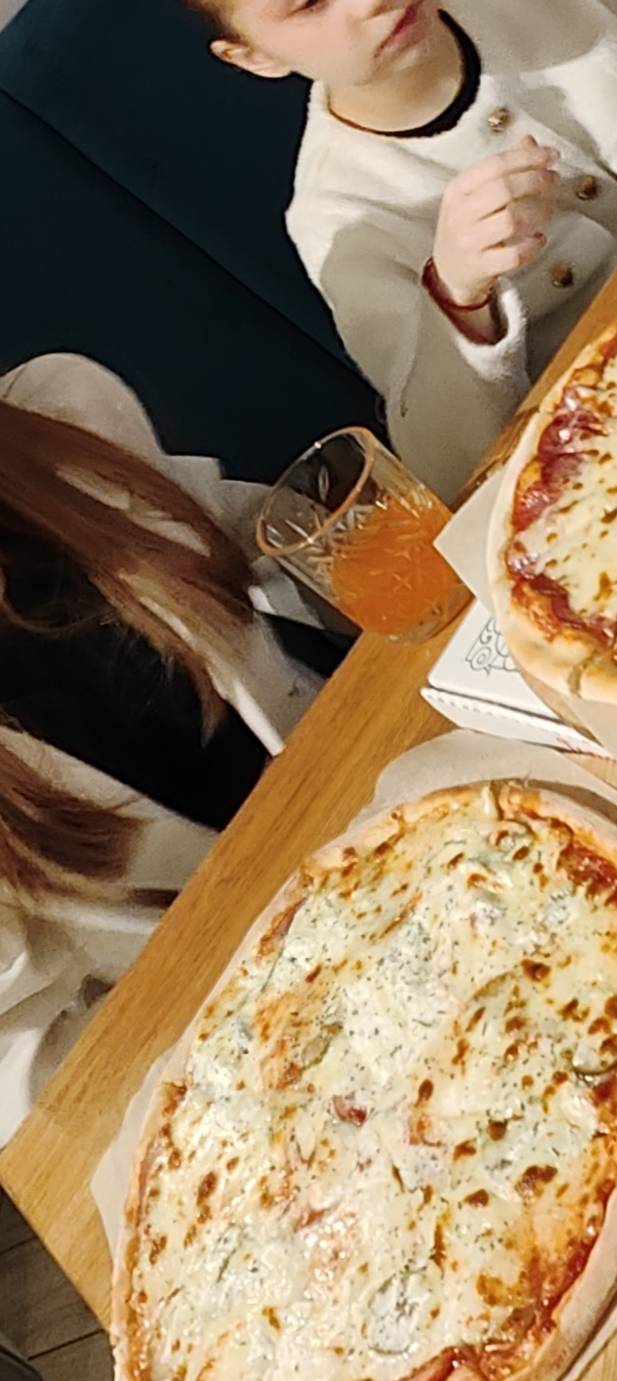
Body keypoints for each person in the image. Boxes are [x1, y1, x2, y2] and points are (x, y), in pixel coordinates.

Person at [0, 353, 339, 1146]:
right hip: (274, 1037)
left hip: (406, 781)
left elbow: (270, 549)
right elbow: (28, 1080)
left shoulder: (59, 412)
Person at [193, 0, 617, 501]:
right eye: (309, 3)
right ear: (254, 57)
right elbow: (451, 468)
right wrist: (457, 293)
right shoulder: (338, 218)